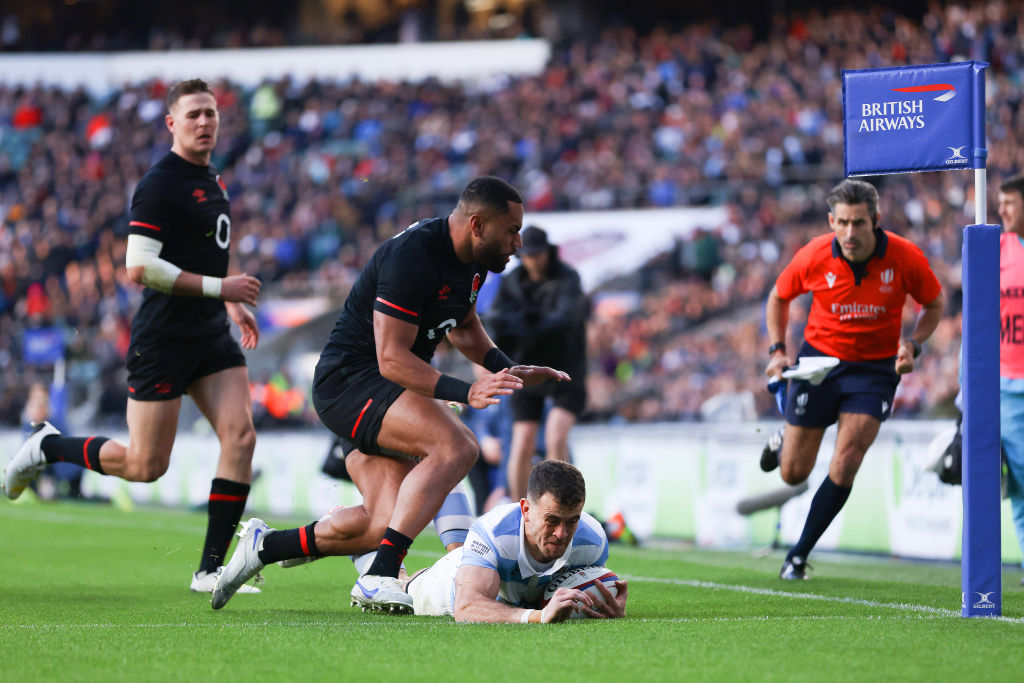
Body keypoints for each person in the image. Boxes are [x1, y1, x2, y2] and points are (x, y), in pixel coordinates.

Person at [210, 176, 570, 613]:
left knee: (379, 523)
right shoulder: (413, 256)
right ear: (477, 225)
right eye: (511, 230)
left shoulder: (473, 260)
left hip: (383, 388)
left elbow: (465, 326)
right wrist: (466, 390)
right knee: (456, 446)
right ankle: (380, 574)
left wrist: (507, 370)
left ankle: (264, 546)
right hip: (351, 382)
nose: (516, 242)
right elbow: (391, 359)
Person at [2, 79, 263, 594]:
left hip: (210, 333)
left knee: (241, 437)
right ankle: (48, 446)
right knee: (145, 466)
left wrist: (229, 302)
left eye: (211, 113)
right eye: (193, 115)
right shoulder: (159, 183)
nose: (205, 122)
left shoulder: (214, 180)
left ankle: (210, 568)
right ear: (171, 123)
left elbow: (207, 250)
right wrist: (222, 286)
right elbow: (138, 267)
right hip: (163, 338)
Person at [761, 179, 943, 579]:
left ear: (875, 221)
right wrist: (778, 350)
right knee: (793, 473)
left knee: (846, 462)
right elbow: (778, 297)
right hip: (818, 365)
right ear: (831, 220)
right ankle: (784, 438)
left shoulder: (905, 257)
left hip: (874, 371)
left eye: (858, 223)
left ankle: (798, 555)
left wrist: (913, 343)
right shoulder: (814, 254)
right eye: (841, 222)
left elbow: (933, 303)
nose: (849, 233)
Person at [404, 460, 628, 623]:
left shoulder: (593, 541)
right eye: (552, 520)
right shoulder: (493, 533)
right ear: (526, 509)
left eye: (572, 521)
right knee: (404, 589)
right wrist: (539, 616)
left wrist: (606, 605)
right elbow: (467, 607)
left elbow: (585, 588)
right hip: (447, 586)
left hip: (489, 576)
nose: (561, 533)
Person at [486, 225, 589, 501]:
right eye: (528, 255)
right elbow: (495, 320)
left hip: (566, 369)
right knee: (521, 444)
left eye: (538, 254)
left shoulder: (568, 278)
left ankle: (560, 506)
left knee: (556, 436)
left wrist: (526, 325)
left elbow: (565, 319)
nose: (533, 261)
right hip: (528, 369)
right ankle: (521, 511)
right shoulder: (513, 281)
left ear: (547, 252)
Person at [996, 173, 1024, 583]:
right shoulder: (993, 250)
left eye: (1009, 202)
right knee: (1018, 483)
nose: (1001, 210)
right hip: (1004, 384)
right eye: (999, 202)